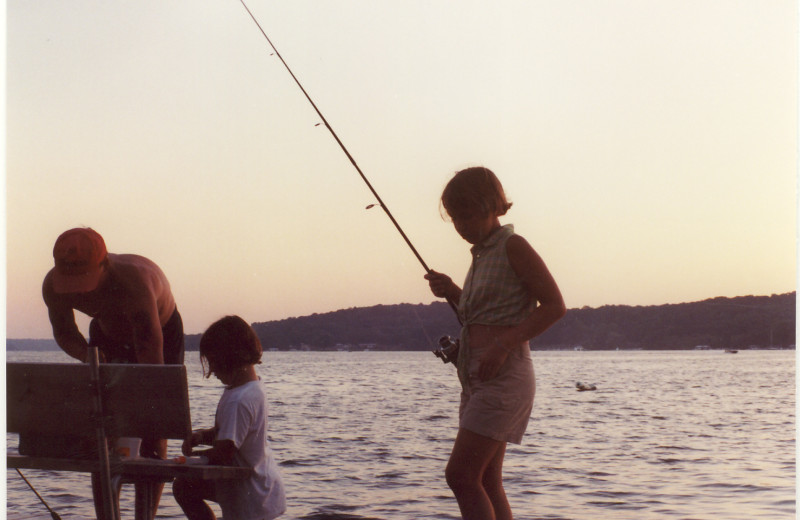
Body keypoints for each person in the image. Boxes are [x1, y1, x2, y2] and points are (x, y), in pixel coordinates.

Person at [425, 167, 566, 520]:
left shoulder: (512, 245)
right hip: (476, 378)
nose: (461, 225)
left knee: (460, 475)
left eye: (468, 215)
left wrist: (503, 345)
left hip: (505, 376)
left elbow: (554, 306)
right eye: (455, 218)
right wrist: (453, 291)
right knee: (486, 479)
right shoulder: (481, 255)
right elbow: (481, 315)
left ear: (492, 206)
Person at [41, 227, 184, 519]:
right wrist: (88, 357)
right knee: (103, 430)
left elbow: (150, 364)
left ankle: (147, 517)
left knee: (153, 426)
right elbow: (65, 333)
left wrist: (145, 418)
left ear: (103, 266)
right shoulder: (52, 286)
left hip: (160, 329)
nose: (80, 291)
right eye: (72, 283)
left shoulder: (134, 282)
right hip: (105, 330)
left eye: (84, 282)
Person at [173, 315, 286, 520]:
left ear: (231, 358)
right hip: (259, 484)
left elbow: (225, 451)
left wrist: (190, 461)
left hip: (250, 492)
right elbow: (232, 433)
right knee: (184, 487)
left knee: (183, 485)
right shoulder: (251, 389)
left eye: (214, 362)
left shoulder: (239, 400)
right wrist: (203, 436)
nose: (212, 370)